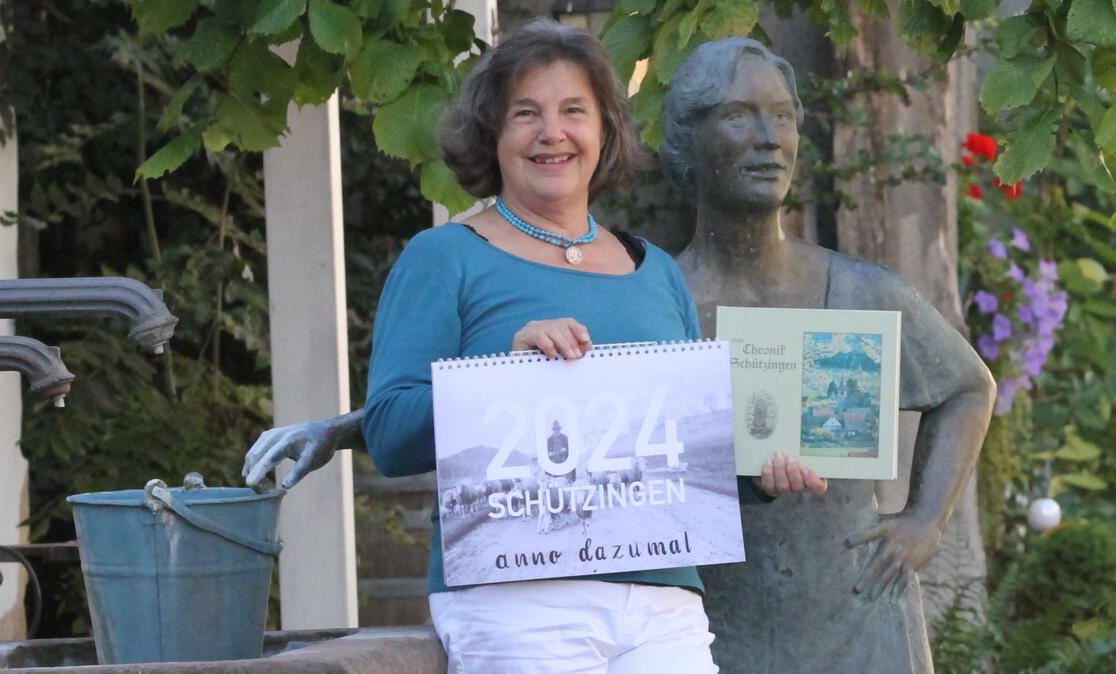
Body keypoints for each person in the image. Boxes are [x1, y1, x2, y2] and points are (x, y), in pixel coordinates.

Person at [243, 20, 823, 673]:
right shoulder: (444, 258)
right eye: (527, 114)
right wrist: (505, 375)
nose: (553, 132)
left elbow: (684, 456)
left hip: (663, 601)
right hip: (516, 595)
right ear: (492, 132)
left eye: (574, 111)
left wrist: (762, 475)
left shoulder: (656, 270)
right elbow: (393, 432)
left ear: (604, 129)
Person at [661, 37, 997, 672]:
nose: (768, 137)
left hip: (861, 619)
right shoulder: (655, 303)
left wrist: (926, 521)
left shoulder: (863, 293)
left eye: (783, 116)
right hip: (714, 633)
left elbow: (968, 388)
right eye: (738, 115)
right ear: (685, 139)